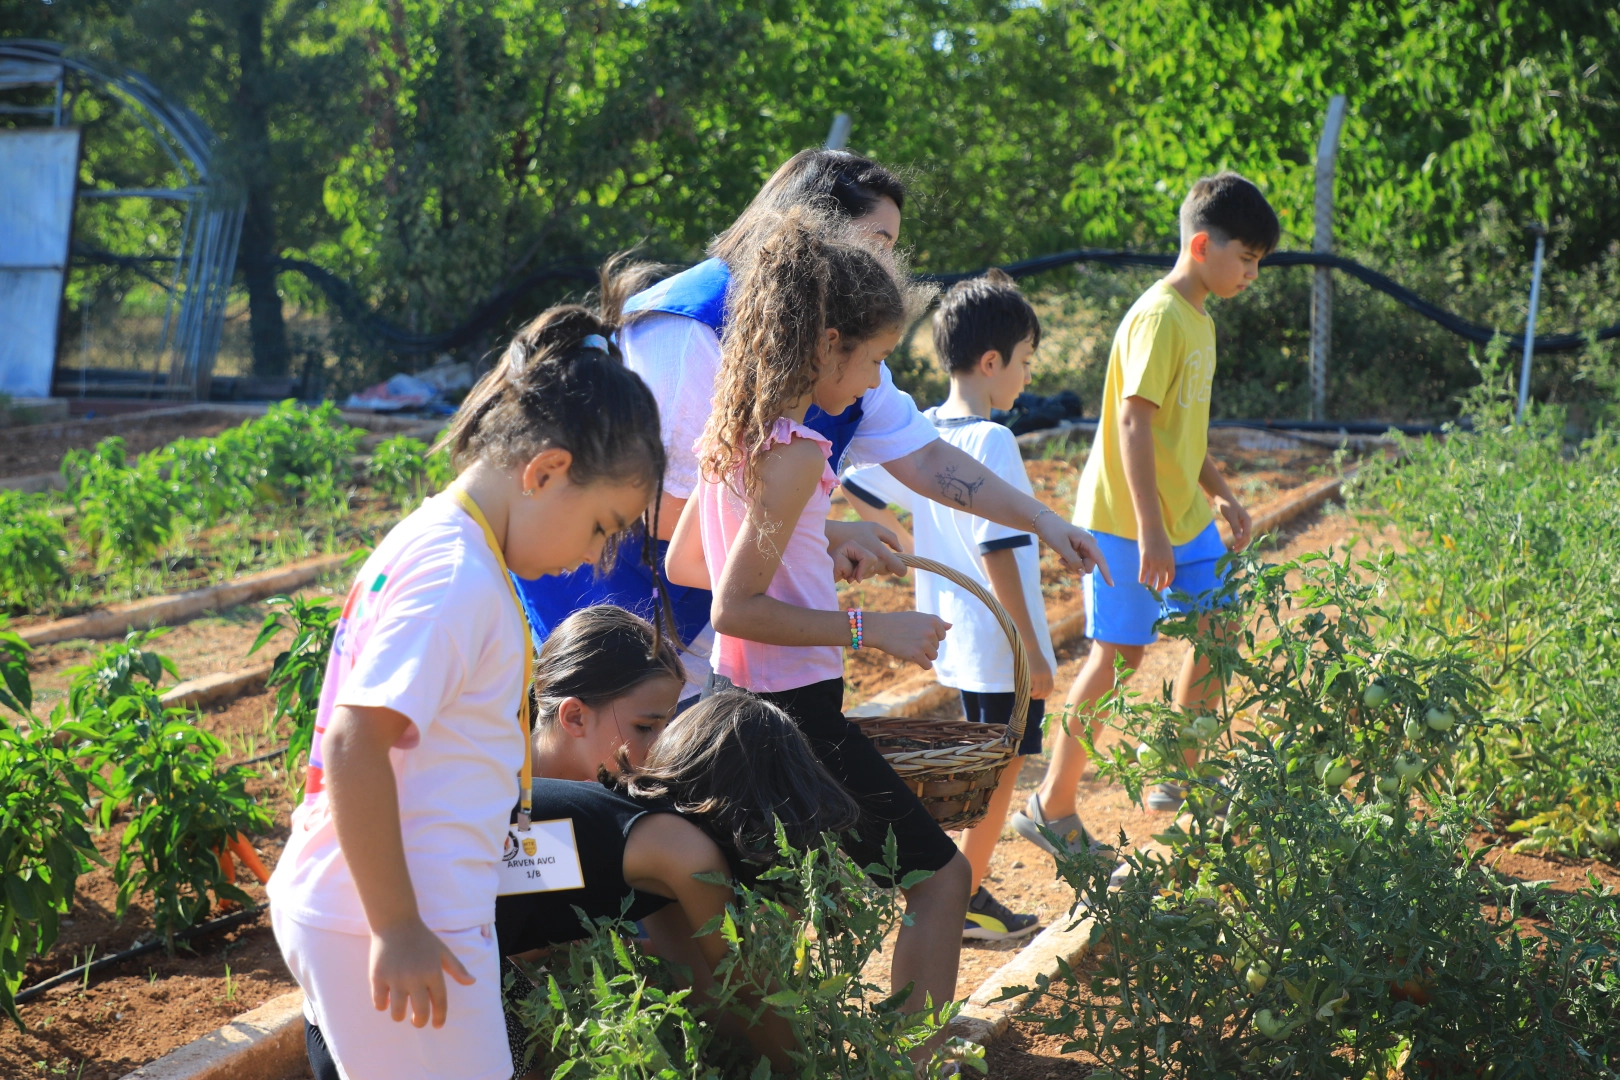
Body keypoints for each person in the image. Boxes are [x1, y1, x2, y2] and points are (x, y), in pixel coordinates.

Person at [667, 206, 1079, 1032]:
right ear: (827, 344)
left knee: (775, 903)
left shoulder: (734, 436)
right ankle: (911, 1053)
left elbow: (686, 562)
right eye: (875, 360)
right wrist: (868, 630)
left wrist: (818, 539)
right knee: (941, 880)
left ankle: (783, 1051)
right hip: (793, 715)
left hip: (728, 708)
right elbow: (733, 607)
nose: (872, 383)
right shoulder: (796, 453)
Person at [515, 148, 1112, 704]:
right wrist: (824, 537)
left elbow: (927, 460)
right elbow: (668, 512)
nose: (888, 265)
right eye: (878, 242)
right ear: (810, 229)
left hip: (709, 614)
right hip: (609, 605)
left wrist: (1044, 520)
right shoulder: (690, 329)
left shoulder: (837, 347)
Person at [267, 305, 664, 1080]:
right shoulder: (456, 575)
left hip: (403, 906)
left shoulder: (449, 547)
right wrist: (397, 926)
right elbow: (356, 740)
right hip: (388, 915)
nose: (593, 557)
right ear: (546, 471)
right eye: (600, 526)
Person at [1012, 172, 1274, 855]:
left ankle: (1180, 772)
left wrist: (1217, 488)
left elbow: (1177, 431)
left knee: (1220, 625)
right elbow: (1132, 425)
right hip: (1126, 523)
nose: (1251, 274)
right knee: (1119, 656)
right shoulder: (1159, 317)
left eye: (1257, 263)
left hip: (1182, 516)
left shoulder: (1200, 317)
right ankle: (1050, 805)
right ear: (1200, 245)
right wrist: (1150, 531)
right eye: (1245, 258)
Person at [840, 270, 1068, 942]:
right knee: (1000, 778)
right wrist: (1033, 649)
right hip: (1001, 647)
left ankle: (960, 889)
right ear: (991, 362)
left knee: (977, 774)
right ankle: (964, 896)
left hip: (956, 636)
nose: (1026, 378)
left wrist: (906, 546)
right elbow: (1000, 550)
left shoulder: (925, 431)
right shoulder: (993, 441)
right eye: (1025, 363)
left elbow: (855, 480)